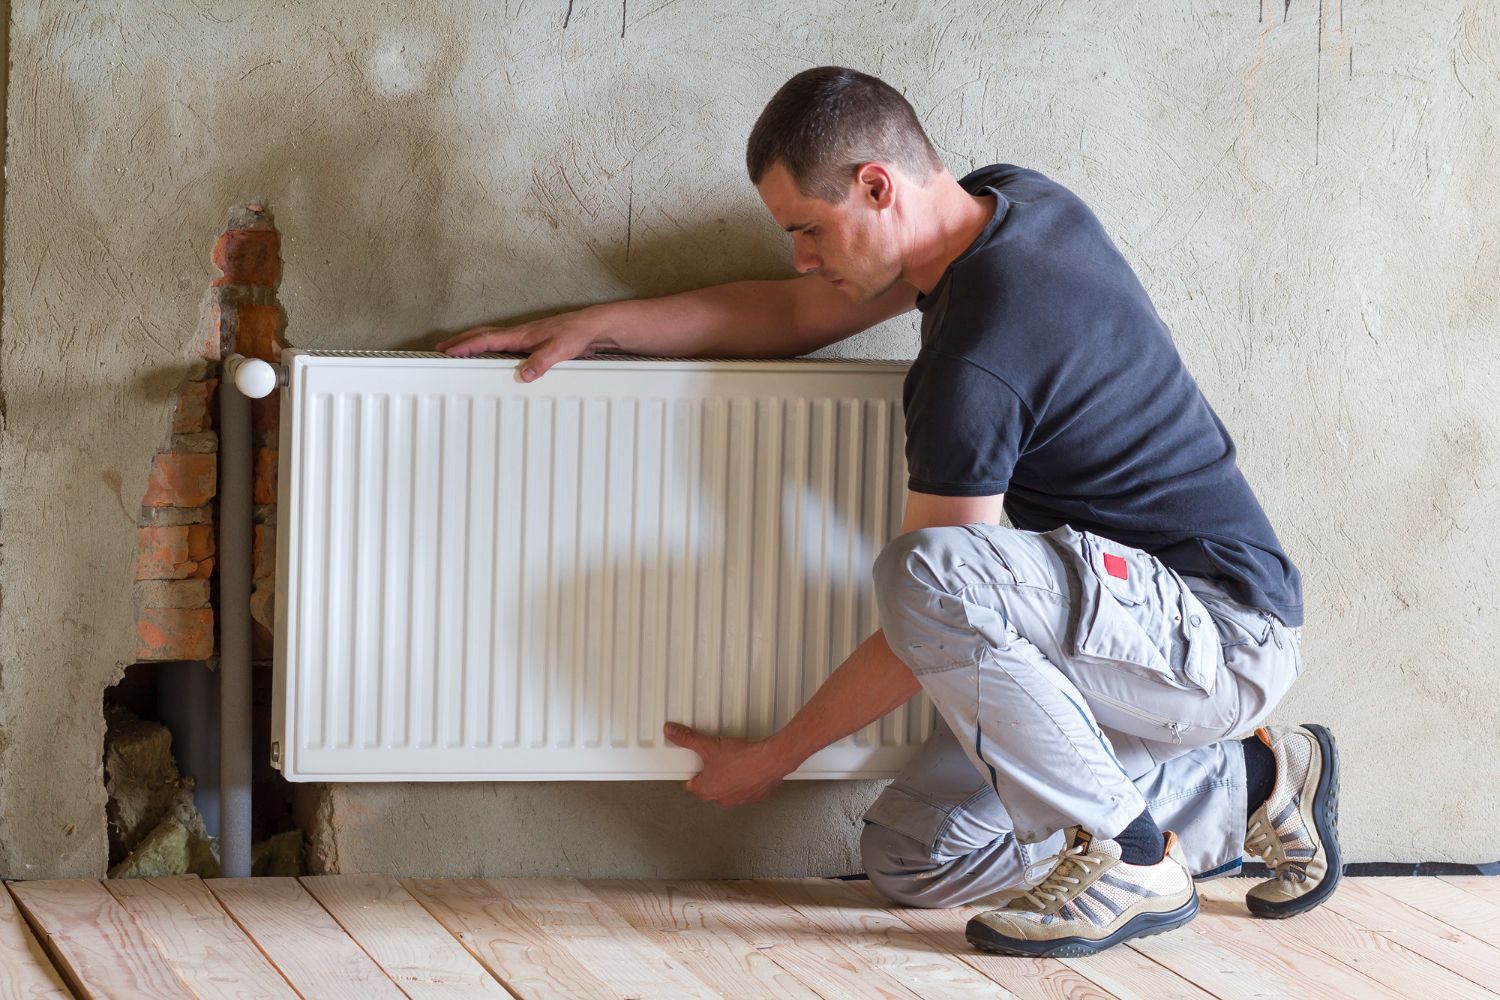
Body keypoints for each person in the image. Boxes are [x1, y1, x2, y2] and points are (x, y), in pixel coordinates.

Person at [439, 66, 1341, 957]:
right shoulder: (1010, 204)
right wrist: (601, 327)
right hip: (1114, 642)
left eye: (808, 227)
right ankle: (1258, 778)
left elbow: (938, 609)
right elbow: (794, 312)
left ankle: (1131, 857)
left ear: (876, 185)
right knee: (915, 858)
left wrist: (772, 757)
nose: (799, 254)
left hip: (1217, 635)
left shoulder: (977, 360)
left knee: (927, 570)